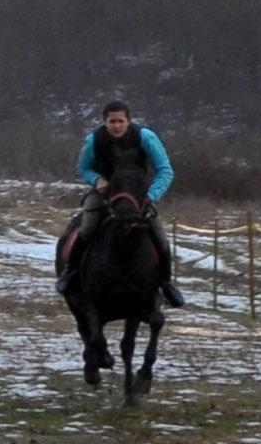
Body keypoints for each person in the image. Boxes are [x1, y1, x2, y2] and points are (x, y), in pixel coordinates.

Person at [57, 99, 184, 308]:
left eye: (120, 121)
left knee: (159, 234)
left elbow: (165, 169)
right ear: (105, 122)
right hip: (105, 193)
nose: (116, 126)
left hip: (137, 196)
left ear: (128, 121)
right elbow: (84, 168)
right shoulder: (94, 140)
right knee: (87, 226)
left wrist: (152, 195)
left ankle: (166, 284)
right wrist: (98, 181)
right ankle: (70, 271)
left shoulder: (146, 137)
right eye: (112, 121)